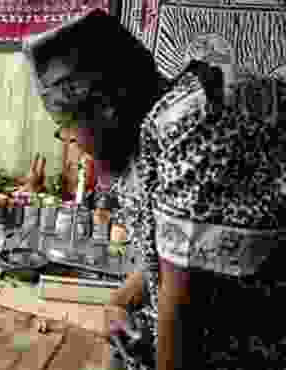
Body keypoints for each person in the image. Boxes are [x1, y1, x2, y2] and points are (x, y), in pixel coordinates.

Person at [23, 9, 286, 370]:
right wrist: (118, 301)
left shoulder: (192, 120)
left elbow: (183, 301)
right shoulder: (150, 133)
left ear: (107, 107)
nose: (68, 140)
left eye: (68, 125)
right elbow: (171, 254)